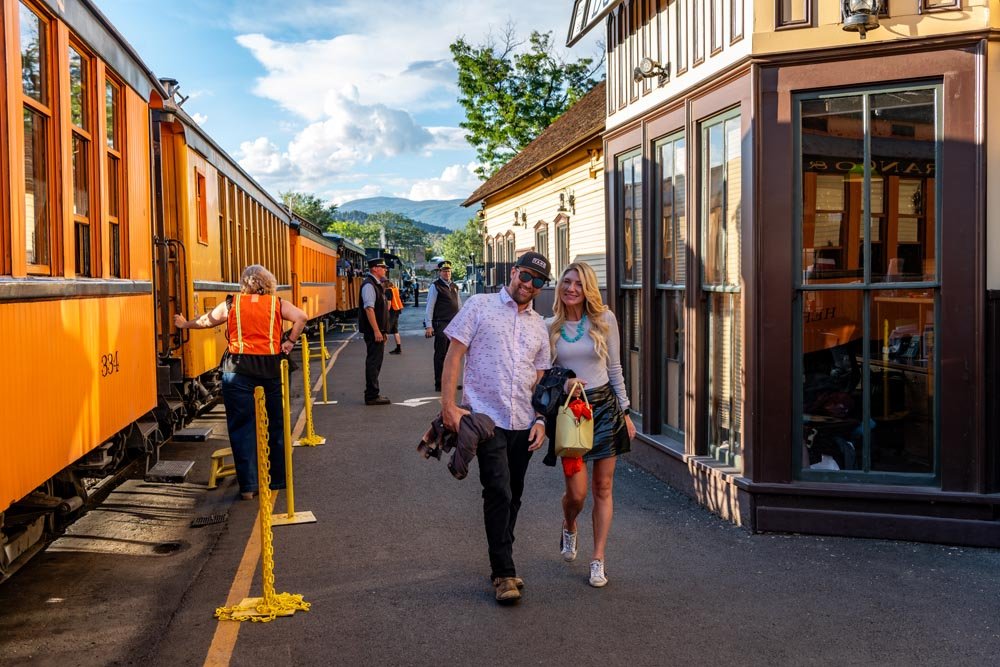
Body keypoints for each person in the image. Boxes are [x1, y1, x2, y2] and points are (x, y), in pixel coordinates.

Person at [441, 251, 552, 604]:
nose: (529, 285)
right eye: (525, 276)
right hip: (485, 419)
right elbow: (454, 354)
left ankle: (504, 559)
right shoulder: (480, 305)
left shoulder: (539, 325)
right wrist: (448, 406)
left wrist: (540, 419)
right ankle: (503, 572)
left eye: (537, 282)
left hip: (523, 421)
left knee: (514, 494)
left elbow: (540, 377)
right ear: (514, 272)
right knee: (499, 492)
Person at [174, 264, 307, 500]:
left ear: (244, 283)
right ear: (269, 283)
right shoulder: (277, 304)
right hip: (270, 369)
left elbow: (206, 321)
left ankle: (248, 486)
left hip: (237, 370)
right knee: (275, 424)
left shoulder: (231, 304)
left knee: (241, 428)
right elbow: (302, 317)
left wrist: (185, 324)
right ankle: (277, 480)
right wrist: (290, 342)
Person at [544, 261, 636, 588]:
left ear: (588, 290)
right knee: (578, 493)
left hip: (605, 409)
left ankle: (598, 559)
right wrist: (563, 384)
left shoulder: (604, 320)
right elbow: (541, 376)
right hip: (571, 413)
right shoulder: (549, 326)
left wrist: (625, 411)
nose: (571, 288)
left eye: (579, 284)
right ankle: (569, 524)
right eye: (567, 282)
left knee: (604, 488)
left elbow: (615, 370)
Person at [425, 260, 462, 391]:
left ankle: (450, 382)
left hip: (454, 325)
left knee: (452, 355)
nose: (447, 273)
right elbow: (430, 307)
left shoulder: (454, 286)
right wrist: (429, 325)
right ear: (440, 272)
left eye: (449, 271)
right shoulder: (435, 286)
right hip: (441, 324)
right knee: (441, 355)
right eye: (444, 271)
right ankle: (439, 383)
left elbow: (459, 306)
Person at [359, 257, 391, 405]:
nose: (385, 270)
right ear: (374, 269)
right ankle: (371, 395)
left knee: (376, 362)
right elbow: (369, 309)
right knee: (373, 362)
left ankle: (373, 392)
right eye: (382, 267)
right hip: (373, 332)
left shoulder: (377, 285)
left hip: (379, 331)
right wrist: (377, 331)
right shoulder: (369, 285)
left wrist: (383, 331)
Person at [384, 278, 404, 355]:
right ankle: (398, 348)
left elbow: (388, 304)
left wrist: (385, 312)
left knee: (385, 330)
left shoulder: (388, 291)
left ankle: (380, 348)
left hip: (391, 311)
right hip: (397, 310)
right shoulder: (394, 289)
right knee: (395, 330)